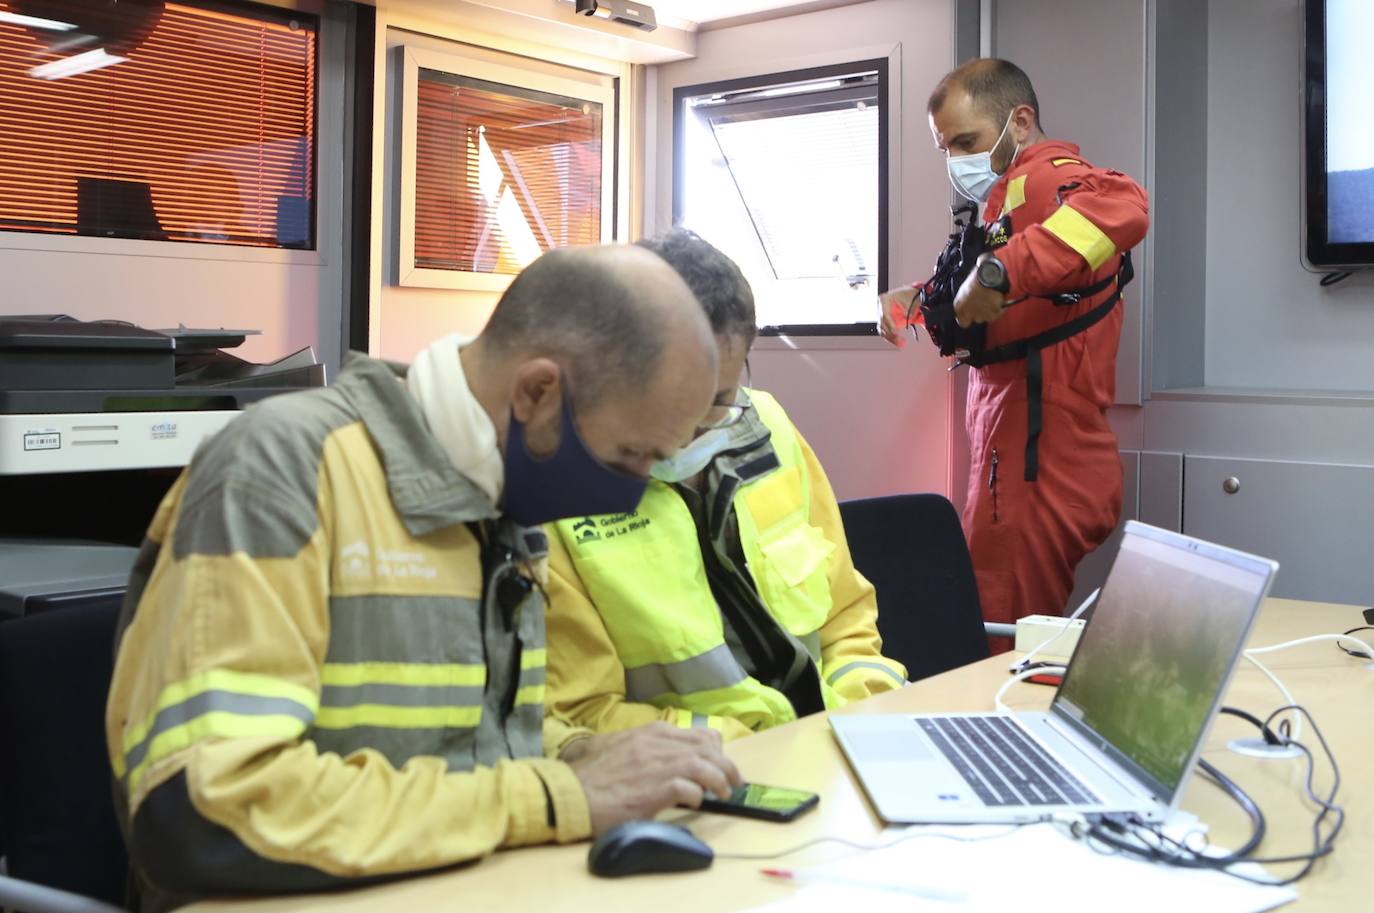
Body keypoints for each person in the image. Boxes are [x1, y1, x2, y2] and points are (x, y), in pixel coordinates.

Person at [104, 244, 743, 908]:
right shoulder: (282, 471)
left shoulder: (498, 500)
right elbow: (207, 809)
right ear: (536, 392)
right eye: (631, 454)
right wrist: (556, 795)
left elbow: (458, 746)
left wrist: (583, 754)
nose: (637, 487)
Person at [544, 229, 907, 742]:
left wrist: (862, 711)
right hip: (700, 777)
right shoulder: (553, 494)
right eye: (672, 396)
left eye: (718, 397)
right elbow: (582, 713)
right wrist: (759, 744)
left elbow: (845, 614)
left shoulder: (770, 427)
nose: (691, 426)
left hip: (833, 745)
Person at [880, 59, 1149, 643]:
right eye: (946, 145)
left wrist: (997, 272)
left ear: (1019, 121)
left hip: (1041, 462)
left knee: (1000, 640)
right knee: (998, 623)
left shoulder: (1052, 178)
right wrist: (922, 297)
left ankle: (998, 736)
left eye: (967, 141)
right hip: (1011, 450)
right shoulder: (1009, 199)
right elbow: (1011, 296)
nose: (956, 158)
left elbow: (1125, 205)